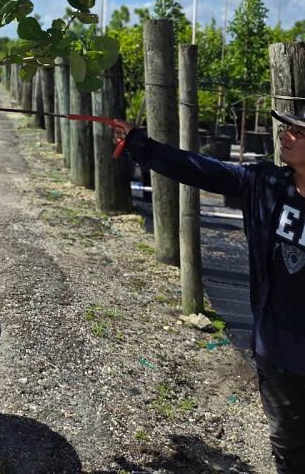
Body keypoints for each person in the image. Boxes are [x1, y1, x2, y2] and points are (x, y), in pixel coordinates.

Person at [111, 109, 305, 474]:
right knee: (290, 449)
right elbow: (201, 169)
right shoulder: (265, 185)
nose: (285, 135)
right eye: (288, 128)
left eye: (299, 132)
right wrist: (141, 144)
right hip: (280, 352)